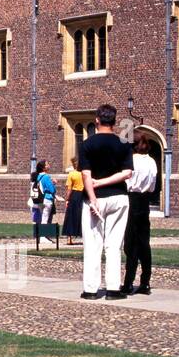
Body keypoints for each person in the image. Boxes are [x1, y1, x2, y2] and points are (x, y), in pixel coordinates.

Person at [78, 104, 133, 300]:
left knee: (93, 244)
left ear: (97, 120)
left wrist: (93, 197)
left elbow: (86, 174)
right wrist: (105, 182)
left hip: (96, 198)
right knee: (114, 244)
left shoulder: (87, 144)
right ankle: (113, 289)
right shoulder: (125, 143)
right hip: (119, 197)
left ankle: (91, 290)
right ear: (115, 121)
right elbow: (127, 173)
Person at [122, 134, 159, 296]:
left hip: (132, 199)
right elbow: (152, 185)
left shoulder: (131, 161)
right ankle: (145, 282)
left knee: (130, 243)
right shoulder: (151, 161)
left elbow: (126, 181)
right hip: (145, 201)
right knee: (144, 242)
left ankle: (128, 282)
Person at [29, 160, 60, 237]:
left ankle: (43, 236)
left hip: (40, 200)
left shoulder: (38, 176)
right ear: (43, 168)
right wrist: (54, 184)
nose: (48, 165)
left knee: (43, 218)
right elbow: (52, 190)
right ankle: (43, 237)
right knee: (45, 219)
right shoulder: (46, 176)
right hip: (47, 199)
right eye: (47, 164)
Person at [62, 156, 84, 246]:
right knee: (83, 216)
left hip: (74, 195)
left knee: (70, 216)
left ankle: (69, 238)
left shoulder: (71, 174)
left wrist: (67, 199)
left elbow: (69, 189)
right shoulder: (84, 173)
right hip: (83, 195)